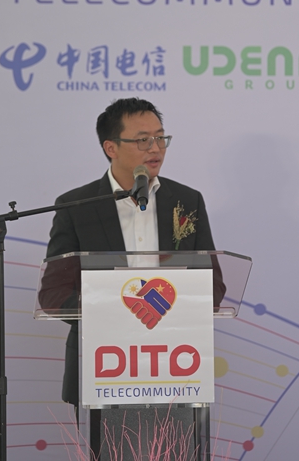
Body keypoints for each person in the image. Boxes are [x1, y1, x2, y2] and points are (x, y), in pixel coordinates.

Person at [42, 97, 219, 408]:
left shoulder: (187, 201)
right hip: (101, 365)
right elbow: (54, 294)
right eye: (143, 140)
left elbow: (213, 285)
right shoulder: (76, 206)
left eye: (160, 138)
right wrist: (113, 313)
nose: (156, 148)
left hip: (176, 362)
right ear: (111, 147)